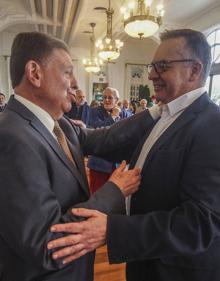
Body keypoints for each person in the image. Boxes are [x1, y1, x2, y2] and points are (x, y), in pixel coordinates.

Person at [47, 29, 220, 281]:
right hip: (146, 263)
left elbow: (200, 223)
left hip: (177, 271)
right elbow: (105, 142)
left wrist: (113, 230)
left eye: (162, 66)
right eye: (152, 66)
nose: (151, 75)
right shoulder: (161, 115)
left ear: (194, 71)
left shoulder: (212, 125)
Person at [0, 31, 154, 281]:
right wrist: (114, 190)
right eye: (67, 72)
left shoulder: (61, 124)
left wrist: (157, 112)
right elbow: (47, 243)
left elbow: (104, 137)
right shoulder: (10, 137)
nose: (75, 85)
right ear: (35, 73)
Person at [87, 87, 121, 193]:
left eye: (110, 98)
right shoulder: (94, 111)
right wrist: (112, 117)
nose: (106, 100)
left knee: (114, 197)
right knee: (97, 196)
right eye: (104, 97)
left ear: (117, 101)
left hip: (117, 165)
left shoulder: (125, 113)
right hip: (99, 164)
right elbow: (95, 130)